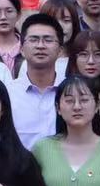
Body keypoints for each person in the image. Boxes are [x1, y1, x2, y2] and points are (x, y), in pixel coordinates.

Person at [6, 14, 67, 150]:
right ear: (21, 49)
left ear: (60, 50)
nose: (40, 46)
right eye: (33, 40)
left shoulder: (70, 93)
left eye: (48, 40)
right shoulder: (8, 93)